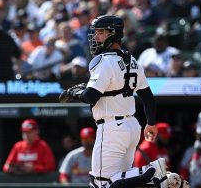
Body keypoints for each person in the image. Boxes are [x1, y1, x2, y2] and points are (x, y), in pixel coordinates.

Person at [59, 15, 189, 188]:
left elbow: (90, 97)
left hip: (112, 128)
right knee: (122, 182)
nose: (96, 37)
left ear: (113, 34)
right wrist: (150, 123)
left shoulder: (104, 61)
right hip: (131, 126)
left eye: (101, 33)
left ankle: (154, 172)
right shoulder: (132, 60)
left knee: (101, 183)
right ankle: (158, 178)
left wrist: (76, 93)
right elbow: (147, 96)